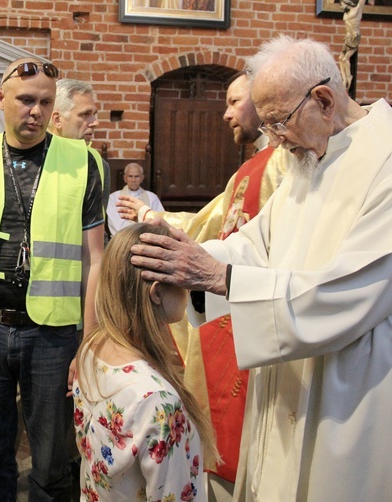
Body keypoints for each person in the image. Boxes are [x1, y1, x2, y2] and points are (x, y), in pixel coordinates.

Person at [130, 35, 392, 500]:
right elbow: (255, 246)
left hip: (361, 388)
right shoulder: (309, 161)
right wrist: (190, 262)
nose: (272, 139)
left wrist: (217, 276)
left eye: (277, 122)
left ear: (324, 100)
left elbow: (348, 292)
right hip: (293, 376)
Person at [0, 57, 105, 500]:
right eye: (26, 100)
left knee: (51, 466)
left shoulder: (84, 163)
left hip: (54, 333)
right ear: (0, 98)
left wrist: (91, 342)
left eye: (45, 102)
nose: (36, 111)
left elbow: (95, 261)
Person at [116, 71, 288, 500]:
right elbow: (207, 228)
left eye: (234, 101)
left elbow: (207, 235)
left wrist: (152, 221)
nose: (226, 113)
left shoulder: (279, 167)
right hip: (234, 305)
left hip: (260, 314)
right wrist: (150, 219)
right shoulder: (253, 168)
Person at [73, 223, 216, 502]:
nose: (190, 286)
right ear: (157, 292)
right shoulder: (157, 401)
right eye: (183, 278)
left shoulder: (91, 348)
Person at [48, 78, 110, 205]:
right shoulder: (31, 158)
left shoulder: (99, 164)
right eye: (85, 114)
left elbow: (98, 220)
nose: (95, 123)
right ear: (57, 119)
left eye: (94, 114)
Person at [106, 162, 163, 236]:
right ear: (125, 178)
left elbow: (160, 219)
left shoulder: (152, 197)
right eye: (130, 176)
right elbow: (116, 225)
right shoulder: (114, 198)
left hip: (147, 238)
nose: (133, 180)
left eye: (137, 176)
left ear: (142, 178)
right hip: (123, 239)